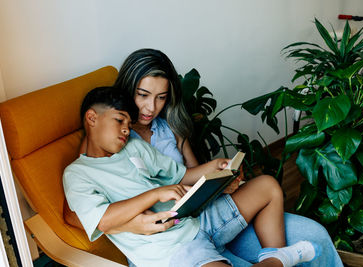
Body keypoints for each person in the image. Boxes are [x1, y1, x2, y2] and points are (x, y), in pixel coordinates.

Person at [64, 48, 343, 266]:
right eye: (143, 95)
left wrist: (220, 175)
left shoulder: (166, 128)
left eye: (161, 98)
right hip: (167, 241)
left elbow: (188, 176)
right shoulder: (109, 146)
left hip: (200, 218)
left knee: (313, 232)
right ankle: (279, 260)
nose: (152, 107)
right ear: (125, 93)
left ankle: (276, 256)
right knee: (308, 240)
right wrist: (134, 219)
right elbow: (80, 214)